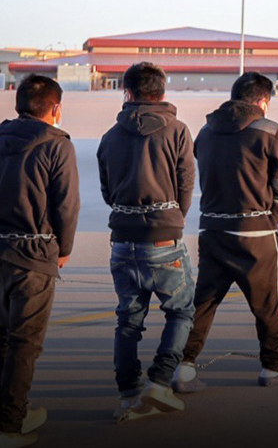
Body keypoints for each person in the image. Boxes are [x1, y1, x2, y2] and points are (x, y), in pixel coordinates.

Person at [174, 72, 278, 392]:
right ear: (262, 101)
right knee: (267, 304)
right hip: (254, 231)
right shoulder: (269, 130)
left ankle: (184, 365)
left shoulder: (206, 130)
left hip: (212, 228)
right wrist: (272, 218)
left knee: (203, 302)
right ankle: (273, 365)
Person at [97, 63, 196, 420]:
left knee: (128, 320)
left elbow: (107, 191)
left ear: (127, 92)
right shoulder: (178, 130)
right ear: (162, 92)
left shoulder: (110, 136)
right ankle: (160, 380)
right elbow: (186, 184)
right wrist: (172, 217)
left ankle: (128, 394)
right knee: (181, 311)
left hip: (123, 238)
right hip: (163, 236)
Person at [0, 75, 79, 447]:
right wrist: (63, 249)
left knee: (3, 339)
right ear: (55, 108)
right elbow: (66, 204)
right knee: (24, 343)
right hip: (32, 255)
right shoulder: (56, 144)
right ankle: (10, 424)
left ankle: (10, 412)